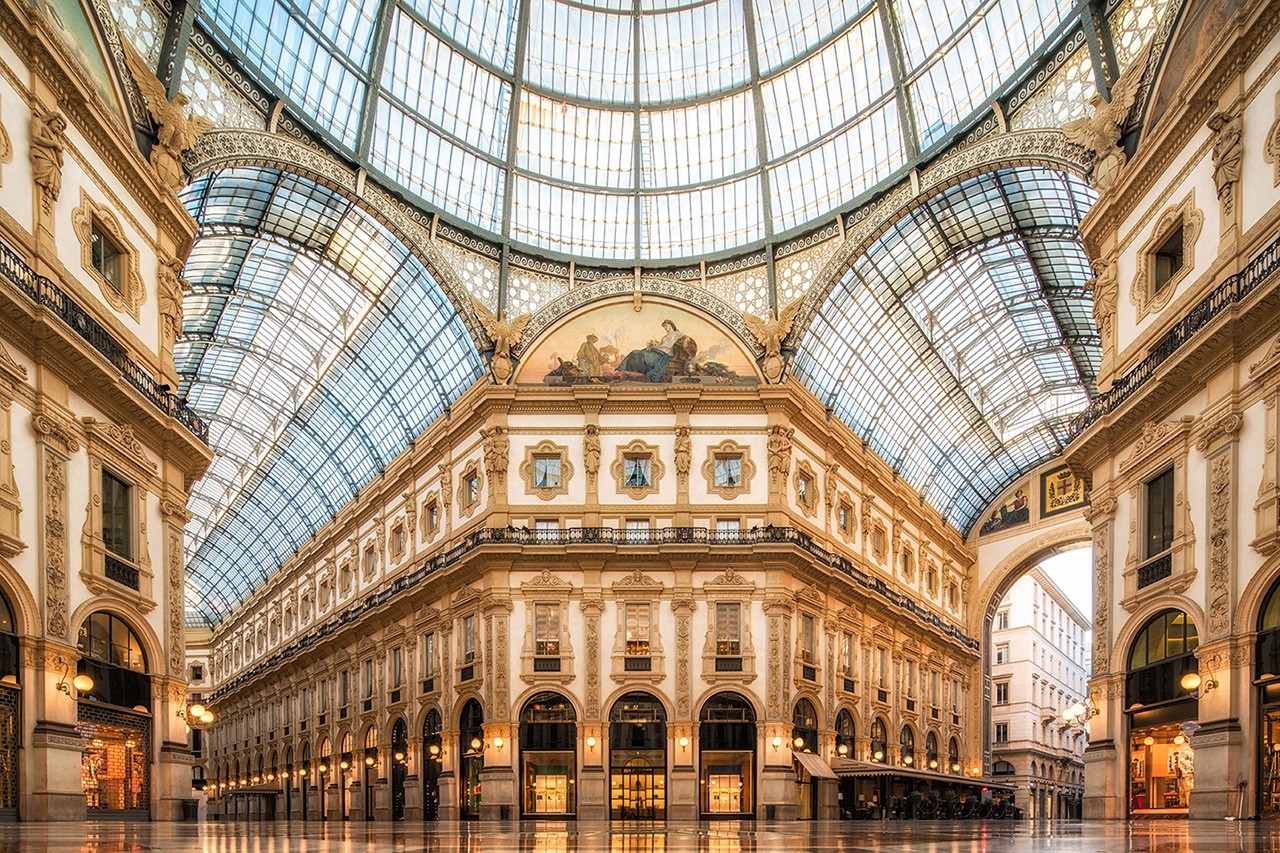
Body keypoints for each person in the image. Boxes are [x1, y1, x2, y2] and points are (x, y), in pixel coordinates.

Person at [619, 319, 684, 382]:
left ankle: (622, 370)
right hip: (657, 351)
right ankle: (621, 370)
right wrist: (651, 347)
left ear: (670, 324)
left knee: (636, 353)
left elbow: (686, 338)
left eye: (666, 325)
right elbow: (659, 346)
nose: (665, 328)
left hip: (664, 354)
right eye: (664, 326)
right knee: (635, 352)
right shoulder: (665, 336)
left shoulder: (677, 333)